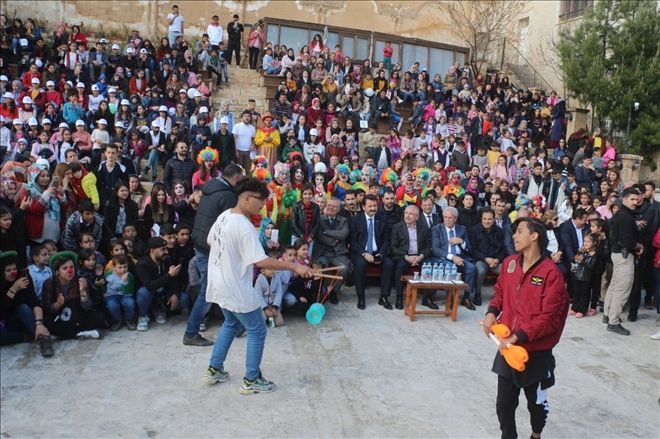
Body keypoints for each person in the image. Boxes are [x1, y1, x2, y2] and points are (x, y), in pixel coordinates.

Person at [203, 177, 312, 394]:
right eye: (260, 200)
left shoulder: (224, 216)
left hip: (219, 282)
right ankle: (251, 379)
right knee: (258, 330)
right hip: (235, 287)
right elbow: (261, 262)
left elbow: (209, 241)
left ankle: (214, 369)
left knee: (231, 324)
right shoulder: (244, 226)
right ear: (246, 198)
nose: (263, 205)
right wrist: (295, 267)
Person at [482, 217, 569, 439]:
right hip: (509, 349)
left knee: (536, 407)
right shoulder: (510, 263)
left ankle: (536, 434)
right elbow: (500, 292)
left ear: (534, 236)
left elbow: (549, 317)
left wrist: (519, 335)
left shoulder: (551, 273)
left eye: (519, 231)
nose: (514, 236)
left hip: (536, 353)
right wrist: (492, 312)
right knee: (504, 405)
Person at [184, 164, 244, 346]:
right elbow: (229, 226)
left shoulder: (210, 188)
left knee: (222, 286)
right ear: (234, 178)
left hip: (202, 244)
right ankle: (191, 333)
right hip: (211, 249)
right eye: (240, 178)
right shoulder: (227, 196)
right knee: (208, 291)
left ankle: (235, 325)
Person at [603, 187, 644, 336]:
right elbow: (627, 241)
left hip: (618, 255)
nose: (635, 202)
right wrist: (638, 245)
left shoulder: (621, 214)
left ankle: (607, 314)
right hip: (624, 256)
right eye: (632, 199)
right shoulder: (625, 217)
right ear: (624, 199)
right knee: (622, 289)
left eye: (637, 199)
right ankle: (613, 322)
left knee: (614, 286)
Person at [1, 251, 53, 357]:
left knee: (23, 308)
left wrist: (39, 323)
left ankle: (44, 340)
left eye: (14, 269)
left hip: (22, 318)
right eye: (8, 270)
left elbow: (34, 301)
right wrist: (14, 289)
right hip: (5, 322)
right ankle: (26, 337)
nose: (13, 273)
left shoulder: (23, 278)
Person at [349, 194, 394, 310]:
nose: (373, 208)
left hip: (377, 252)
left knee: (389, 264)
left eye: (375, 206)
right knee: (360, 264)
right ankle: (361, 297)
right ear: (363, 207)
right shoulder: (355, 220)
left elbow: (386, 240)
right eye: (370, 206)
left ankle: (384, 297)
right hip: (361, 253)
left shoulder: (382, 219)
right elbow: (352, 242)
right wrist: (364, 253)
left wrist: (381, 253)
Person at [431, 206, 477, 310]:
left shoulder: (462, 229)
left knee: (472, 268)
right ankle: (450, 297)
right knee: (450, 267)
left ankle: (466, 297)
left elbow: (469, 249)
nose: (447, 220)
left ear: (455, 218)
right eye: (445, 217)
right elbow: (436, 250)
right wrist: (452, 257)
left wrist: (462, 242)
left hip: (460, 258)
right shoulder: (437, 229)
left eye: (450, 217)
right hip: (444, 258)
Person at [390, 205, 432, 310]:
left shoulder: (424, 229)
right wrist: (406, 257)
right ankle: (399, 297)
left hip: (419, 256)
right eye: (406, 213)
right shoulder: (397, 227)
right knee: (400, 267)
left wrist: (421, 256)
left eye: (411, 214)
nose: (407, 216)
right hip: (404, 256)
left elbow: (428, 247)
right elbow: (393, 248)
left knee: (429, 267)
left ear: (417, 217)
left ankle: (427, 298)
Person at [312, 197, 352, 303]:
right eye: (329, 205)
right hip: (323, 252)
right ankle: (321, 291)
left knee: (344, 268)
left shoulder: (343, 220)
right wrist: (334, 241)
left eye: (334, 206)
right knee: (319, 267)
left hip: (338, 253)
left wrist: (326, 231)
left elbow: (343, 234)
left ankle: (334, 291)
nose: (331, 208)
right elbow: (319, 236)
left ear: (338, 209)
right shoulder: (319, 219)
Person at [470, 208, 506, 306]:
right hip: (481, 259)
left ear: (494, 219)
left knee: (506, 271)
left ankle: (500, 295)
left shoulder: (499, 231)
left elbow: (504, 249)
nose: (487, 221)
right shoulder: (474, 230)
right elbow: (472, 249)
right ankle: (477, 294)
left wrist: (497, 259)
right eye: (484, 219)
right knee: (480, 270)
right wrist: (485, 258)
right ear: (481, 219)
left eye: (489, 219)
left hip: (495, 261)